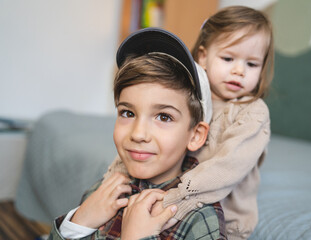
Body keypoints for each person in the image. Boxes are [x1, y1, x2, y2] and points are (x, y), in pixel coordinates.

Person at [106, 6, 274, 239]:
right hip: (175, 202)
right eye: (228, 58)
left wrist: (174, 199)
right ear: (203, 57)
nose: (239, 71)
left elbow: (227, 168)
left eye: (252, 64)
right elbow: (137, 146)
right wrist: (112, 179)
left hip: (222, 219)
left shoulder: (253, 113)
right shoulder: (192, 94)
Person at [48, 28, 227, 240]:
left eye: (163, 117)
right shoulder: (106, 188)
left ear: (195, 135)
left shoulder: (199, 218)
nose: (139, 134)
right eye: (128, 113)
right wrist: (78, 222)